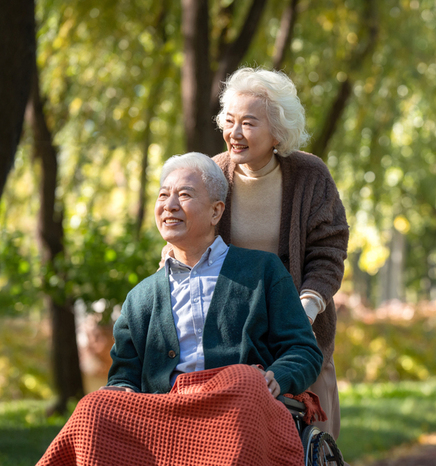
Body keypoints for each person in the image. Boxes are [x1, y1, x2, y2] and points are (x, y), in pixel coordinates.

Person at [38, 152, 323, 465]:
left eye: (184, 195)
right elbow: (124, 378)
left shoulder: (263, 271)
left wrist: (276, 376)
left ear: (216, 212)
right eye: (163, 195)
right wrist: (124, 395)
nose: (169, 205)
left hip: (231, 407)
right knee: (94, 406)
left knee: (244, 380)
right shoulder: (141, 297)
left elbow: (303, 350)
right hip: (164, 416)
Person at [210, 67, 349, 439]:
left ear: (277, 131)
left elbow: (329, 249)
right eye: (229, 121)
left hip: (301, 332)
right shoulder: (211, 175)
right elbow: (186, 241)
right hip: (231, 339)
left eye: (249, 123)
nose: (234, 133)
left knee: (313, 440)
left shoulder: (310, 175)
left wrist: (307, 306)